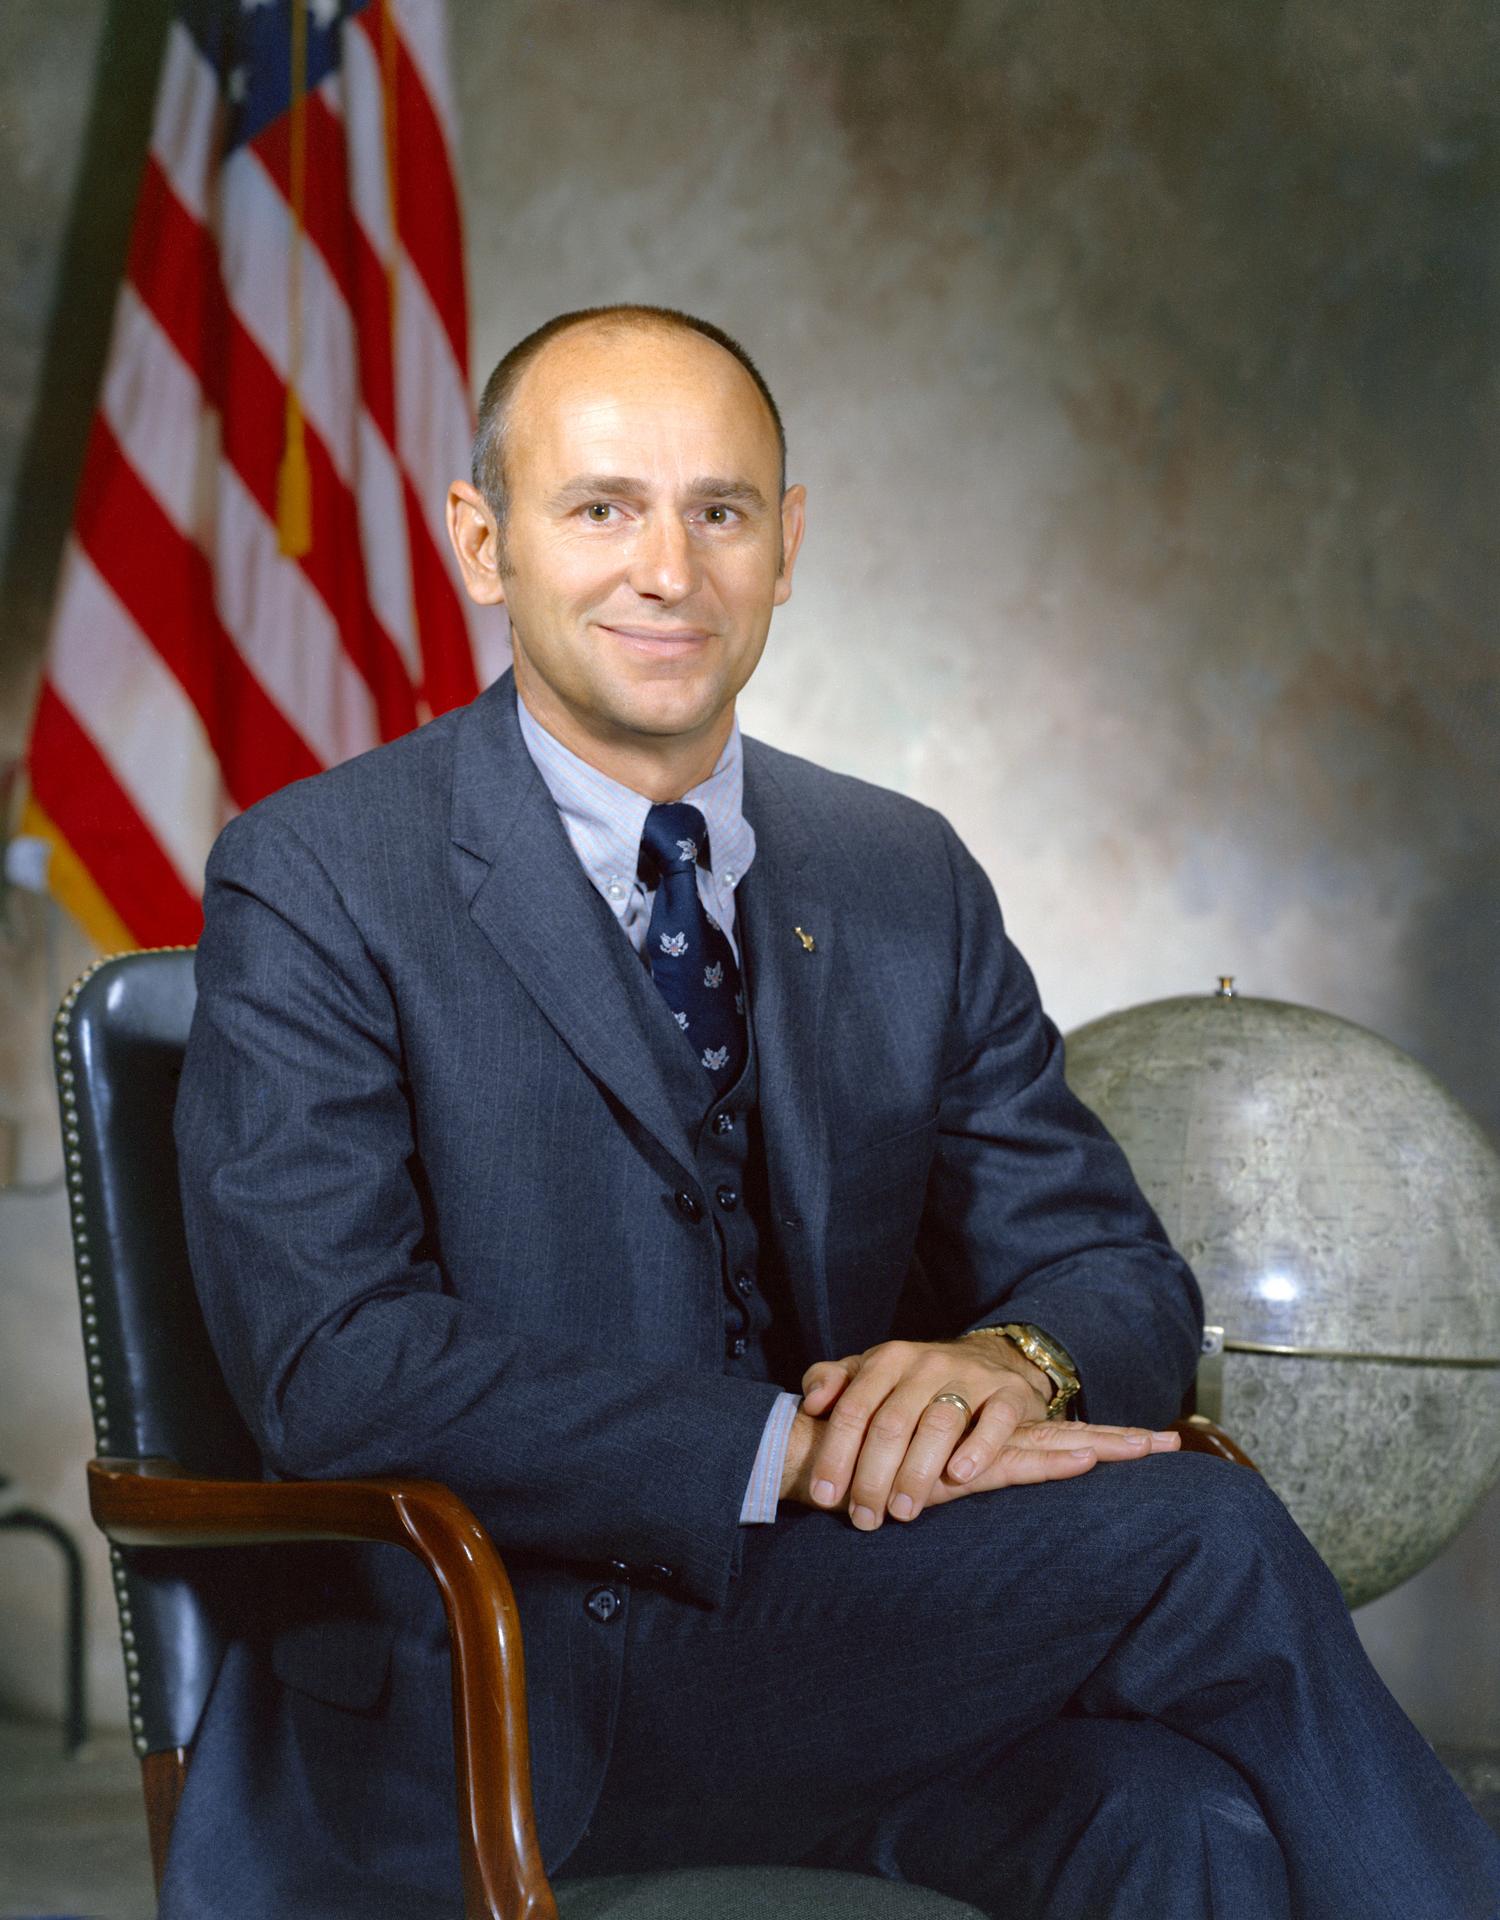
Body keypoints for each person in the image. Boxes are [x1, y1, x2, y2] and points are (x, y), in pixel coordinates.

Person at [166, 304, 1500, 1920]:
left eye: (718, 511)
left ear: (785, 546)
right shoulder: (318, 873)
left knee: (1182, 1827)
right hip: (515, 1669)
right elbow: (334, 1369)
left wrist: (1012, 1363)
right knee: (1199, 1536)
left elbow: (1117, 1274)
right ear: (481, 542)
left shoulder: (900, 871)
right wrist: (784, 1448)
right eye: (601, 509)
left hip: (858, 1649)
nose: (669, 569)